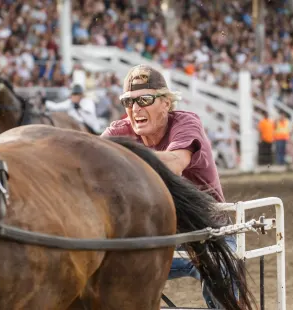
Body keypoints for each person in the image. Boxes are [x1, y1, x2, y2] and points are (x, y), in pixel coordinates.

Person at [100, 64, 234, 308]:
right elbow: (90, 162)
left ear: (166, 103)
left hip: (207, 231)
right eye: (128, 102)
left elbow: (174, 164)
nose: (135, 109)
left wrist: (122, 153)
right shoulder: (119, 131)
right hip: (156, 235)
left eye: (145, 99)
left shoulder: (185, 123)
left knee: (220, 273)